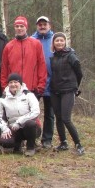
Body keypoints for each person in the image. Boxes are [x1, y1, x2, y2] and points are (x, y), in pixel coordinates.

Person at [49, 32, 85, 155]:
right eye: (56, 41)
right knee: (58, 118)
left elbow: (79, 73)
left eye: (61, 40)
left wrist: (75, 86)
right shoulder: (53, 57)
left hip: (68, 90)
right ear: (53, 43)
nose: (59, 42)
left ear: (65, 42)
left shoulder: (71, 56)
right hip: (55, 90)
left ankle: (78, 144)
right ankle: (63, 142)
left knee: (66, 118)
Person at [0, 16, 47, 97]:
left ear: (26, 27)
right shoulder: (8, 46)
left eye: (22, 26)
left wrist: (40, 87)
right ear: (14, 28)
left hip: (32, 89)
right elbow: (4, 69)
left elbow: (42, 66)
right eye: (17, 26)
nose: (19, 28)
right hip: (13, 90)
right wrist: (4, 87)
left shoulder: (36, 44)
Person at [0, 73, 41, 156]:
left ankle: (30, 147)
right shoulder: (3, 98)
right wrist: (5, 129)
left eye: (16, 82)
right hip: (13, 128)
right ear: (8, 84)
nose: (13, 84)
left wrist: (20, 121)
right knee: (5, 142)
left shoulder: (29, 95)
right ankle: (17, 145)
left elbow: (36, 111)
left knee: (30, 124)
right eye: (10, 82)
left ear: (20, 83)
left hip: (29, 126)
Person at [31, 16, 55, 149]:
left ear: (49, 25)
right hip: (36, 83)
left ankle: (47, 139)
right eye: (40, 24)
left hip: (52, 83)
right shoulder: (32, 40)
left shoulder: (55, 39)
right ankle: (31, 138)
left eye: (44, 24)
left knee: (50, 114)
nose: (42, 26)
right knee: (32, 113)